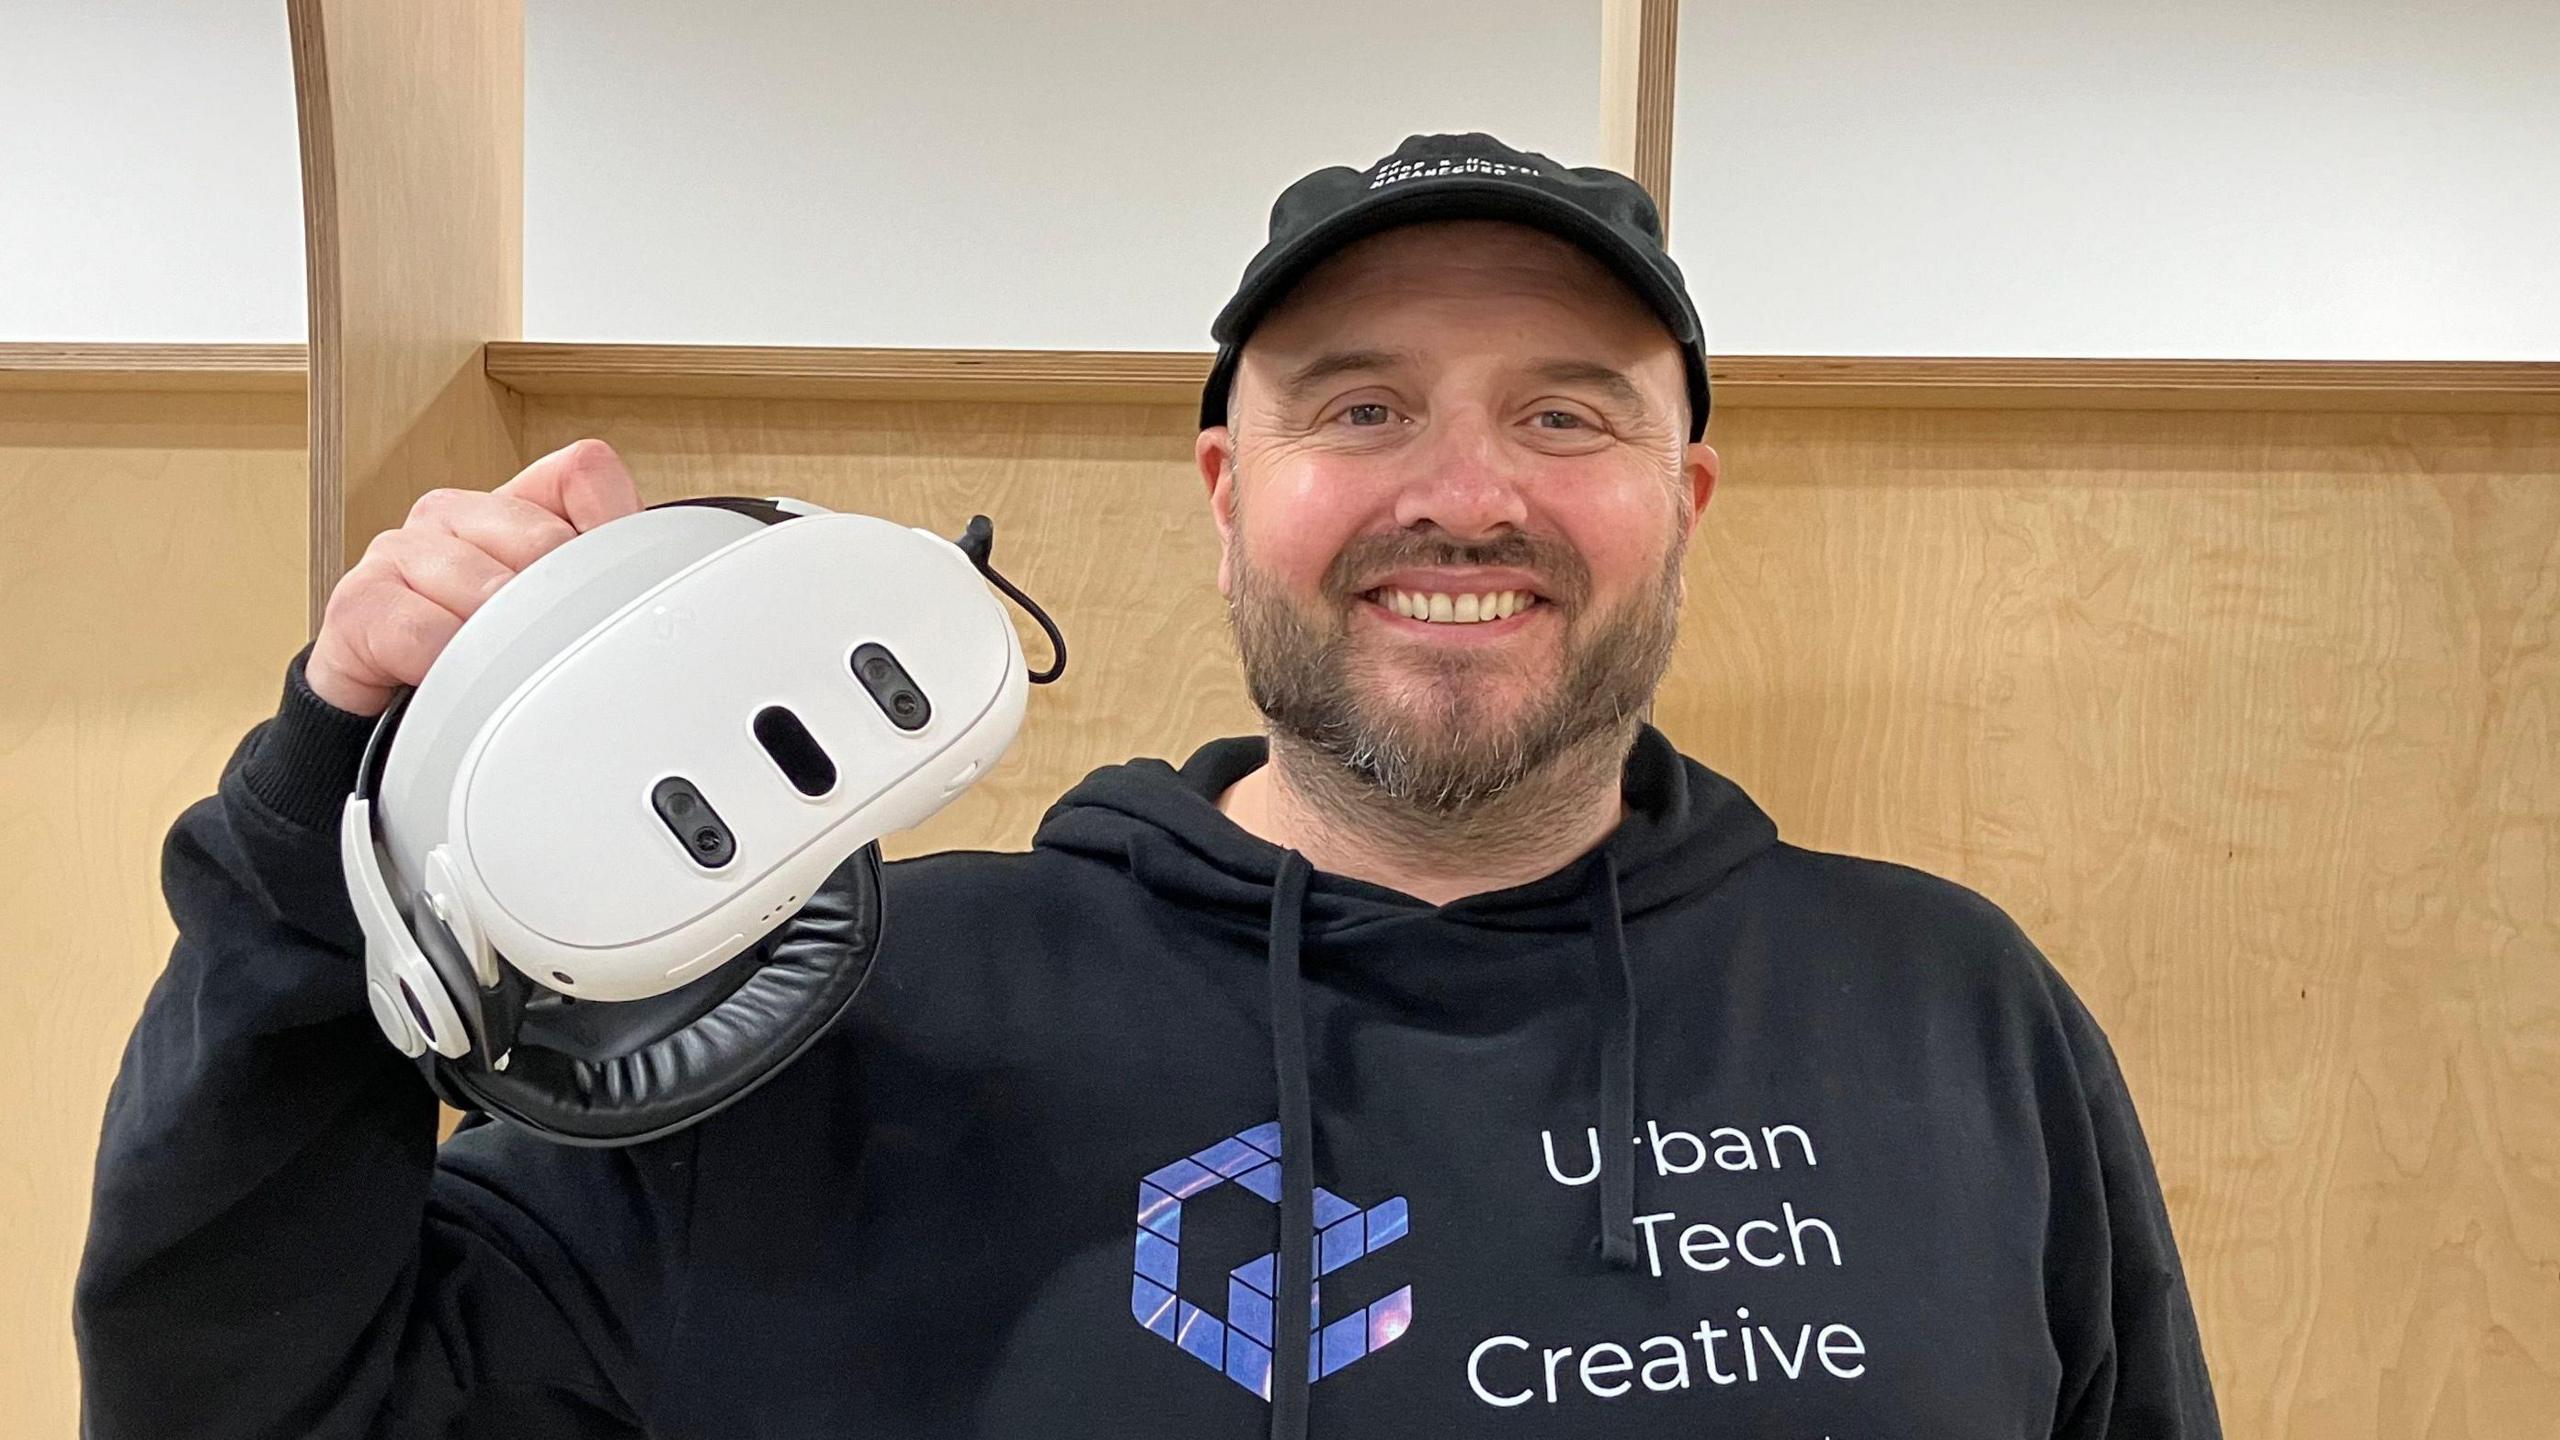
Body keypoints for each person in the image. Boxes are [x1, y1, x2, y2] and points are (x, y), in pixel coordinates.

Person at [73, 132, 2221, 1439]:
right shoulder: (839, 1014)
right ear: (1225, 488)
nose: (1461, 496)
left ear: (1686, 492)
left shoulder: (1948, 1010)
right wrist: (324, 817)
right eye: (1358, 410)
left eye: (1566, 416)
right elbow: (250, 1402)